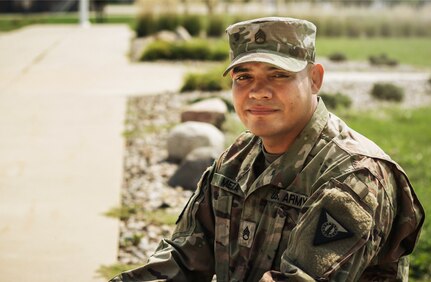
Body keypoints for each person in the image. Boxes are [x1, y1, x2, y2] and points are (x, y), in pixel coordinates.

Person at [110, 17, 424, 281]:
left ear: (315, 79)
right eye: (243, 77)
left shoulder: (354, 177)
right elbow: (183, 259)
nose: (257, 92)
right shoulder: (237, 159)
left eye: (279, 75)